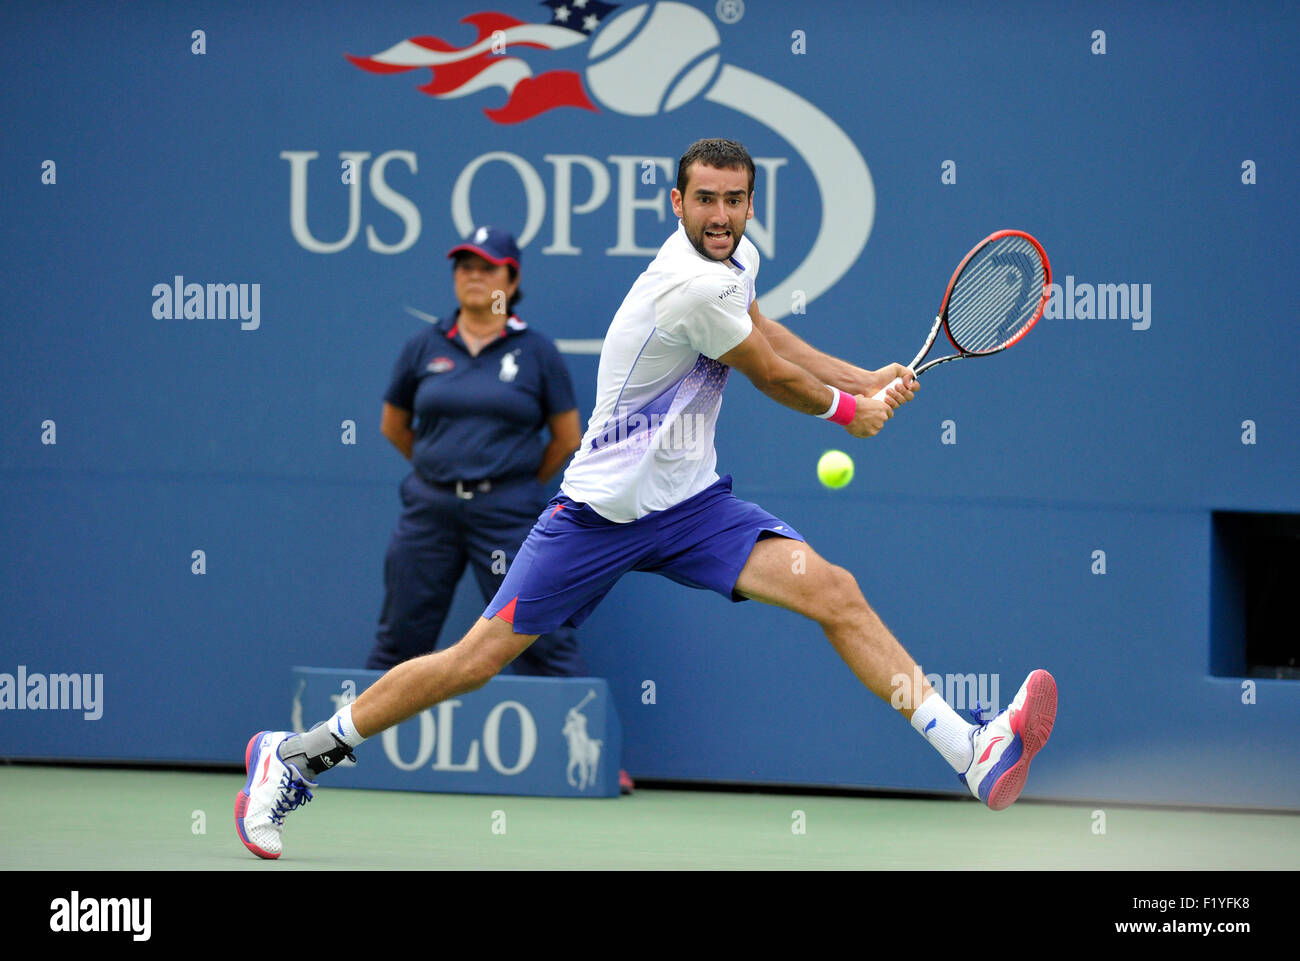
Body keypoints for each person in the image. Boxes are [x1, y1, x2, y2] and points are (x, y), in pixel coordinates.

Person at [236, 139, 1057, 860]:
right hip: (597, 515)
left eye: (736, 199)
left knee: (833, 590)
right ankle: (297, 754)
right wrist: (850, 413)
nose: (722, 214)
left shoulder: (738, 263)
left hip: (691, 507)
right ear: (677, 202)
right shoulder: (685, 287)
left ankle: (971, 750)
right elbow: (769, 375)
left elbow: (768, 333)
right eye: (706, 198)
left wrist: (861, 374)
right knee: (472, 663)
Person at [364, 226, 585, 680]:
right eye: (465, 267)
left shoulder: (537, 352)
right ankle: (358, 747)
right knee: (400, 640)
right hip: (430, 510)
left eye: (488, 268)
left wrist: (510, 481)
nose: (475, 276)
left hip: (508, 511)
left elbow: (567, 438)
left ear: (512, 280)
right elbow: (394, 425)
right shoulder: (423, 346)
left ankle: (569, 747)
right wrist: (439, 469)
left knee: (541, 638)